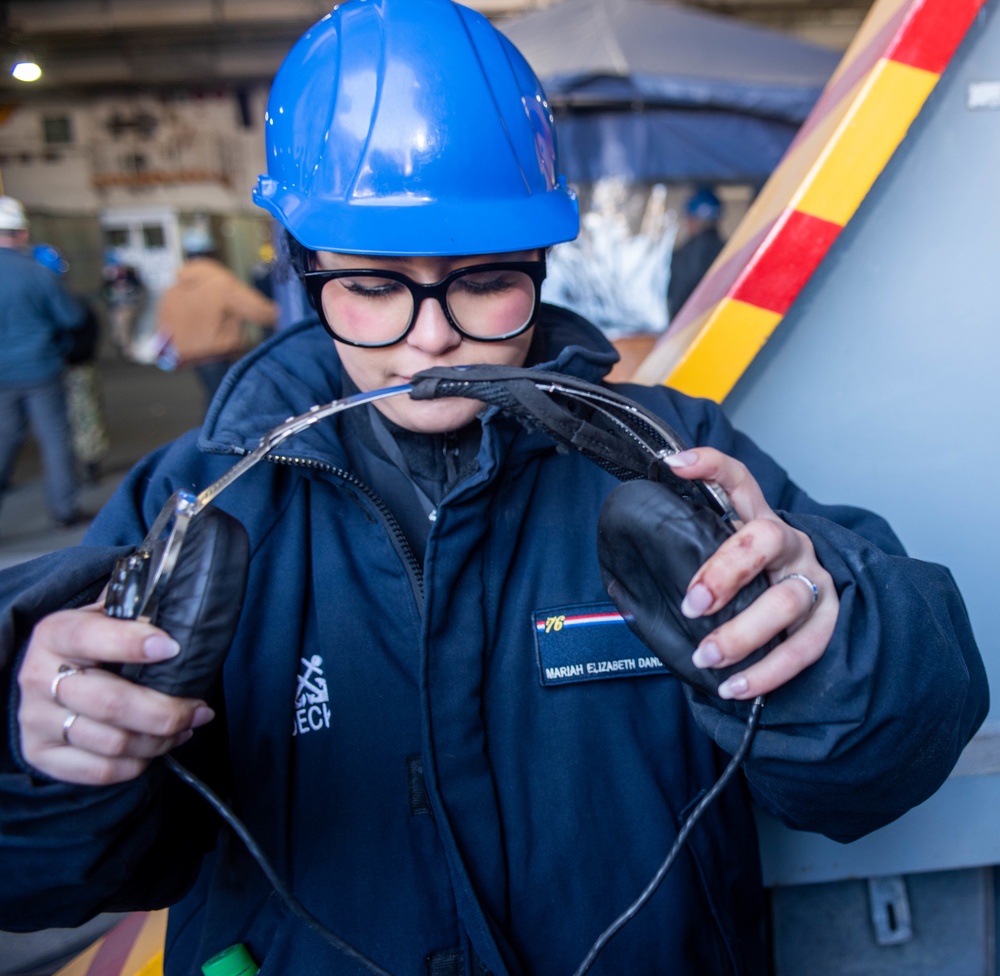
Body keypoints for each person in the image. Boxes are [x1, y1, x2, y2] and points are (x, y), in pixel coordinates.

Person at [0, 3, 987, 975]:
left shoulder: (669, 452)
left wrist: (833, 643)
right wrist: (37, 741)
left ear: (541, 263)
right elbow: (45, 874)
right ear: (305, 271)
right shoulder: (201, 501)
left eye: (481, 282)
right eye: (376, 286)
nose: (431, 335)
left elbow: (886, 763)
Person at [0, 199, 88, 530]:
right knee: (54, 438)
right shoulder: (37, 273)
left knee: (5, 437)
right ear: (21, 232)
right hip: (41, 370)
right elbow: (72, 317)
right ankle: (64, 510)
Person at [153, 228, 277, 408]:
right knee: (223, 403)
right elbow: (256, 309)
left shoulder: (174, 286)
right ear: (212, 252)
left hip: (191, 354)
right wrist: (284, 313)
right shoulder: (220, 281)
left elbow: (165, 324)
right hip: (219, 351)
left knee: (214, 398)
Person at [33, 244, 110, 485]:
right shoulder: (69, 303)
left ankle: (85, 466)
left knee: (68, 422)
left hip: (55, 369)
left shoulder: (54, 303)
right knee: (81, 418)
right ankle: (86, 465)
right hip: (68, 368)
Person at [667, 186, 726, 320]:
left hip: (688, 327)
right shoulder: (729, 249)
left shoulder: (685, 255)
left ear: (692, 219)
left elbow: (677, 296)